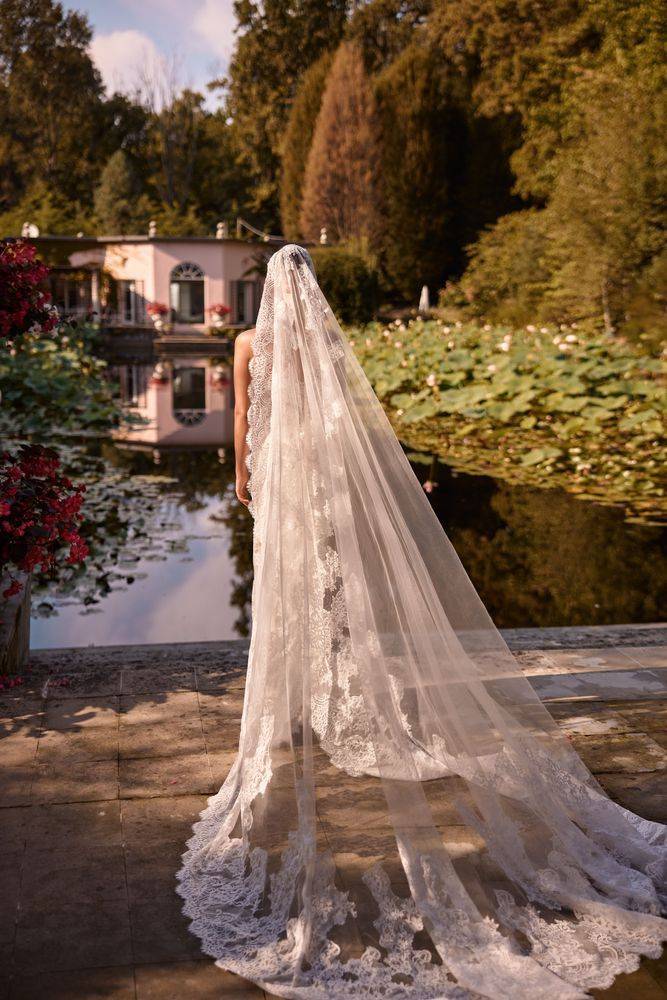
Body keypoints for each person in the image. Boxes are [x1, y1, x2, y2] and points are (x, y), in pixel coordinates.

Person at [179, 245, 665, 1000]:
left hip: (279, 474)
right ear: (307, 287)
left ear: (264, 289)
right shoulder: (320, 339)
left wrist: (240, 475)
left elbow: (242, 416)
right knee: (330, 589)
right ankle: (330, 688)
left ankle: (299, 699)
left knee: (292, 591)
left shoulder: (247, 343)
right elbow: (346, 425)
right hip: (316, 476)